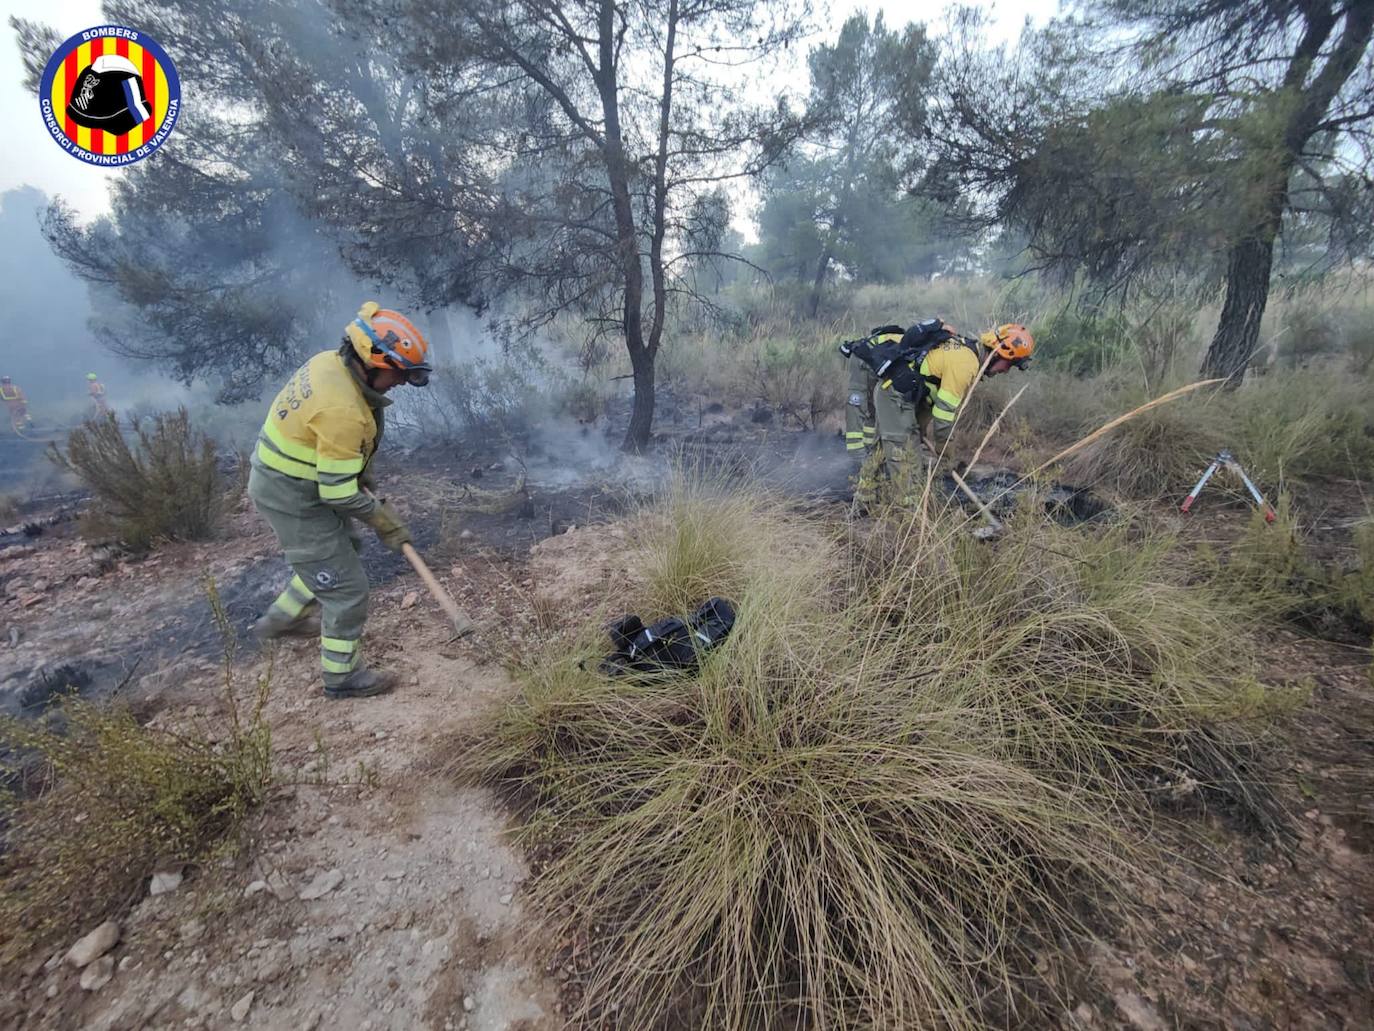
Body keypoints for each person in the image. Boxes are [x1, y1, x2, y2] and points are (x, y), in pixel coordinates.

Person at [247, 301, 434, 699]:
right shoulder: (343, 410)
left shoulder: (330, 364)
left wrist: (356, 469)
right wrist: (383, 520)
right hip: (292, 494)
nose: (401, 382)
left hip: (297, 478)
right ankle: (341, 677)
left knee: (340, 549)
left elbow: (330, 452)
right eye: (397, 373)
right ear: (371, 361)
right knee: (347, 590)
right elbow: (337, 492)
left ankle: (282, 618)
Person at [840, 320, 1035, 502]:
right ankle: (907, 517)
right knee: (908, 460)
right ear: (997, 353)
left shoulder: (964, 351)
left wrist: (920, 430)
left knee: (890, 445)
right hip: (895, 395)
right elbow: (943, 416)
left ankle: (865, 496)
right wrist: (947, 454)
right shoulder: (965, 364)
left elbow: (930, 394)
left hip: (901, 394)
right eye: (1009, 364)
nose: (1006, 371)